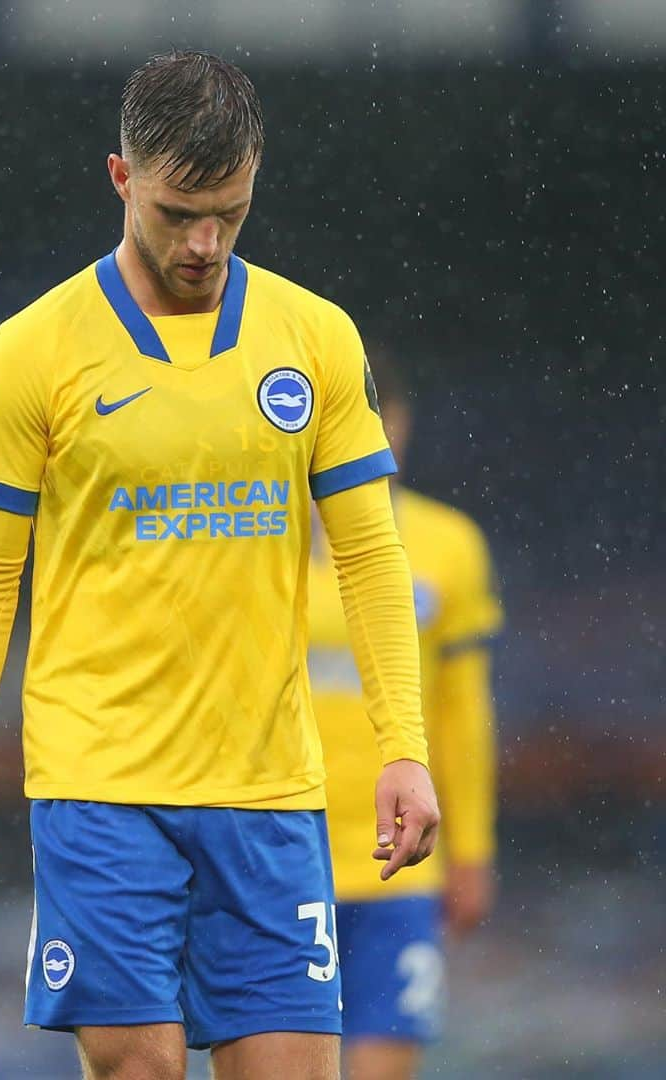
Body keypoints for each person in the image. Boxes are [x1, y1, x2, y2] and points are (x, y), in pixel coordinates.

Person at [0, 50, 441, 1080]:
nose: (203, 243)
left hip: (271, 791)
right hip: (101, 785)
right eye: (176, 212)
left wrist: (403, 746)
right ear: (121, 180)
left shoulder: (317, 338)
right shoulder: (33, 352)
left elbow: (374, 554)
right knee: (140, 1065)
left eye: (230, 214)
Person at [309, 355, 502, 1079]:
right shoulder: (256, 539)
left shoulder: (448, 544)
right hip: (275, 851)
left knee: (387, 1066)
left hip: (402, 858)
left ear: (401, 422)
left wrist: (473, 848)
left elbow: (462, 710)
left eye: (378, 417)